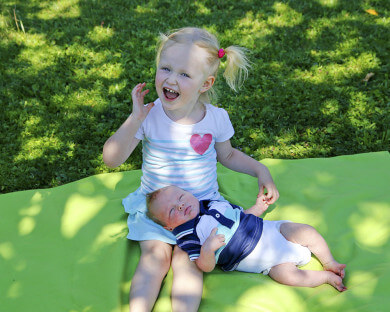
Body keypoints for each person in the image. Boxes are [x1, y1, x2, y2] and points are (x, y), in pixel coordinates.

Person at [102, 27, 279, 312]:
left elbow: (229, 155)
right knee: (154, 259)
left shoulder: (216, 119)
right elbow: (111, 159)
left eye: (184, 74)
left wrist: (261, 170)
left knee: (190, 263)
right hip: (158, 208)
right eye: (166, 68)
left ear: (205, 84)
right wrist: (135, 118)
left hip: (202, 210)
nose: (171, 79)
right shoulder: (148, 116)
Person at [146, 185, 347, 292]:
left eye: (181, 198)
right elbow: (204, 266)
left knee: (306, 231)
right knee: (287, 277)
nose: (180, 205)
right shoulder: (188, 236)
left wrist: (258, 208)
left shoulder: (212, 204)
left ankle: (329, 262)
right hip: (272, 262)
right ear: (169, 226)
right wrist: (207, 249)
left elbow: (241, 215)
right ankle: (326, 278)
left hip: (273, 231)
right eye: (172, 210)